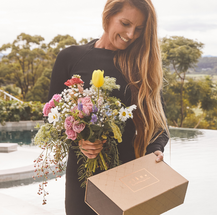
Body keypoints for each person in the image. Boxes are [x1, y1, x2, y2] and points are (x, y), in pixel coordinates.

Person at [46, 0, 169, 214]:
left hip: (127, 177)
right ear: (108, 16)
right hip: (81, 180)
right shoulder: (70, 57)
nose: (131, 34)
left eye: (139, 29)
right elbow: (50, 117)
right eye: (125, 23)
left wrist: (155, 150)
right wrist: (79, 138)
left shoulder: (140, 65)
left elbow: (159, 123)